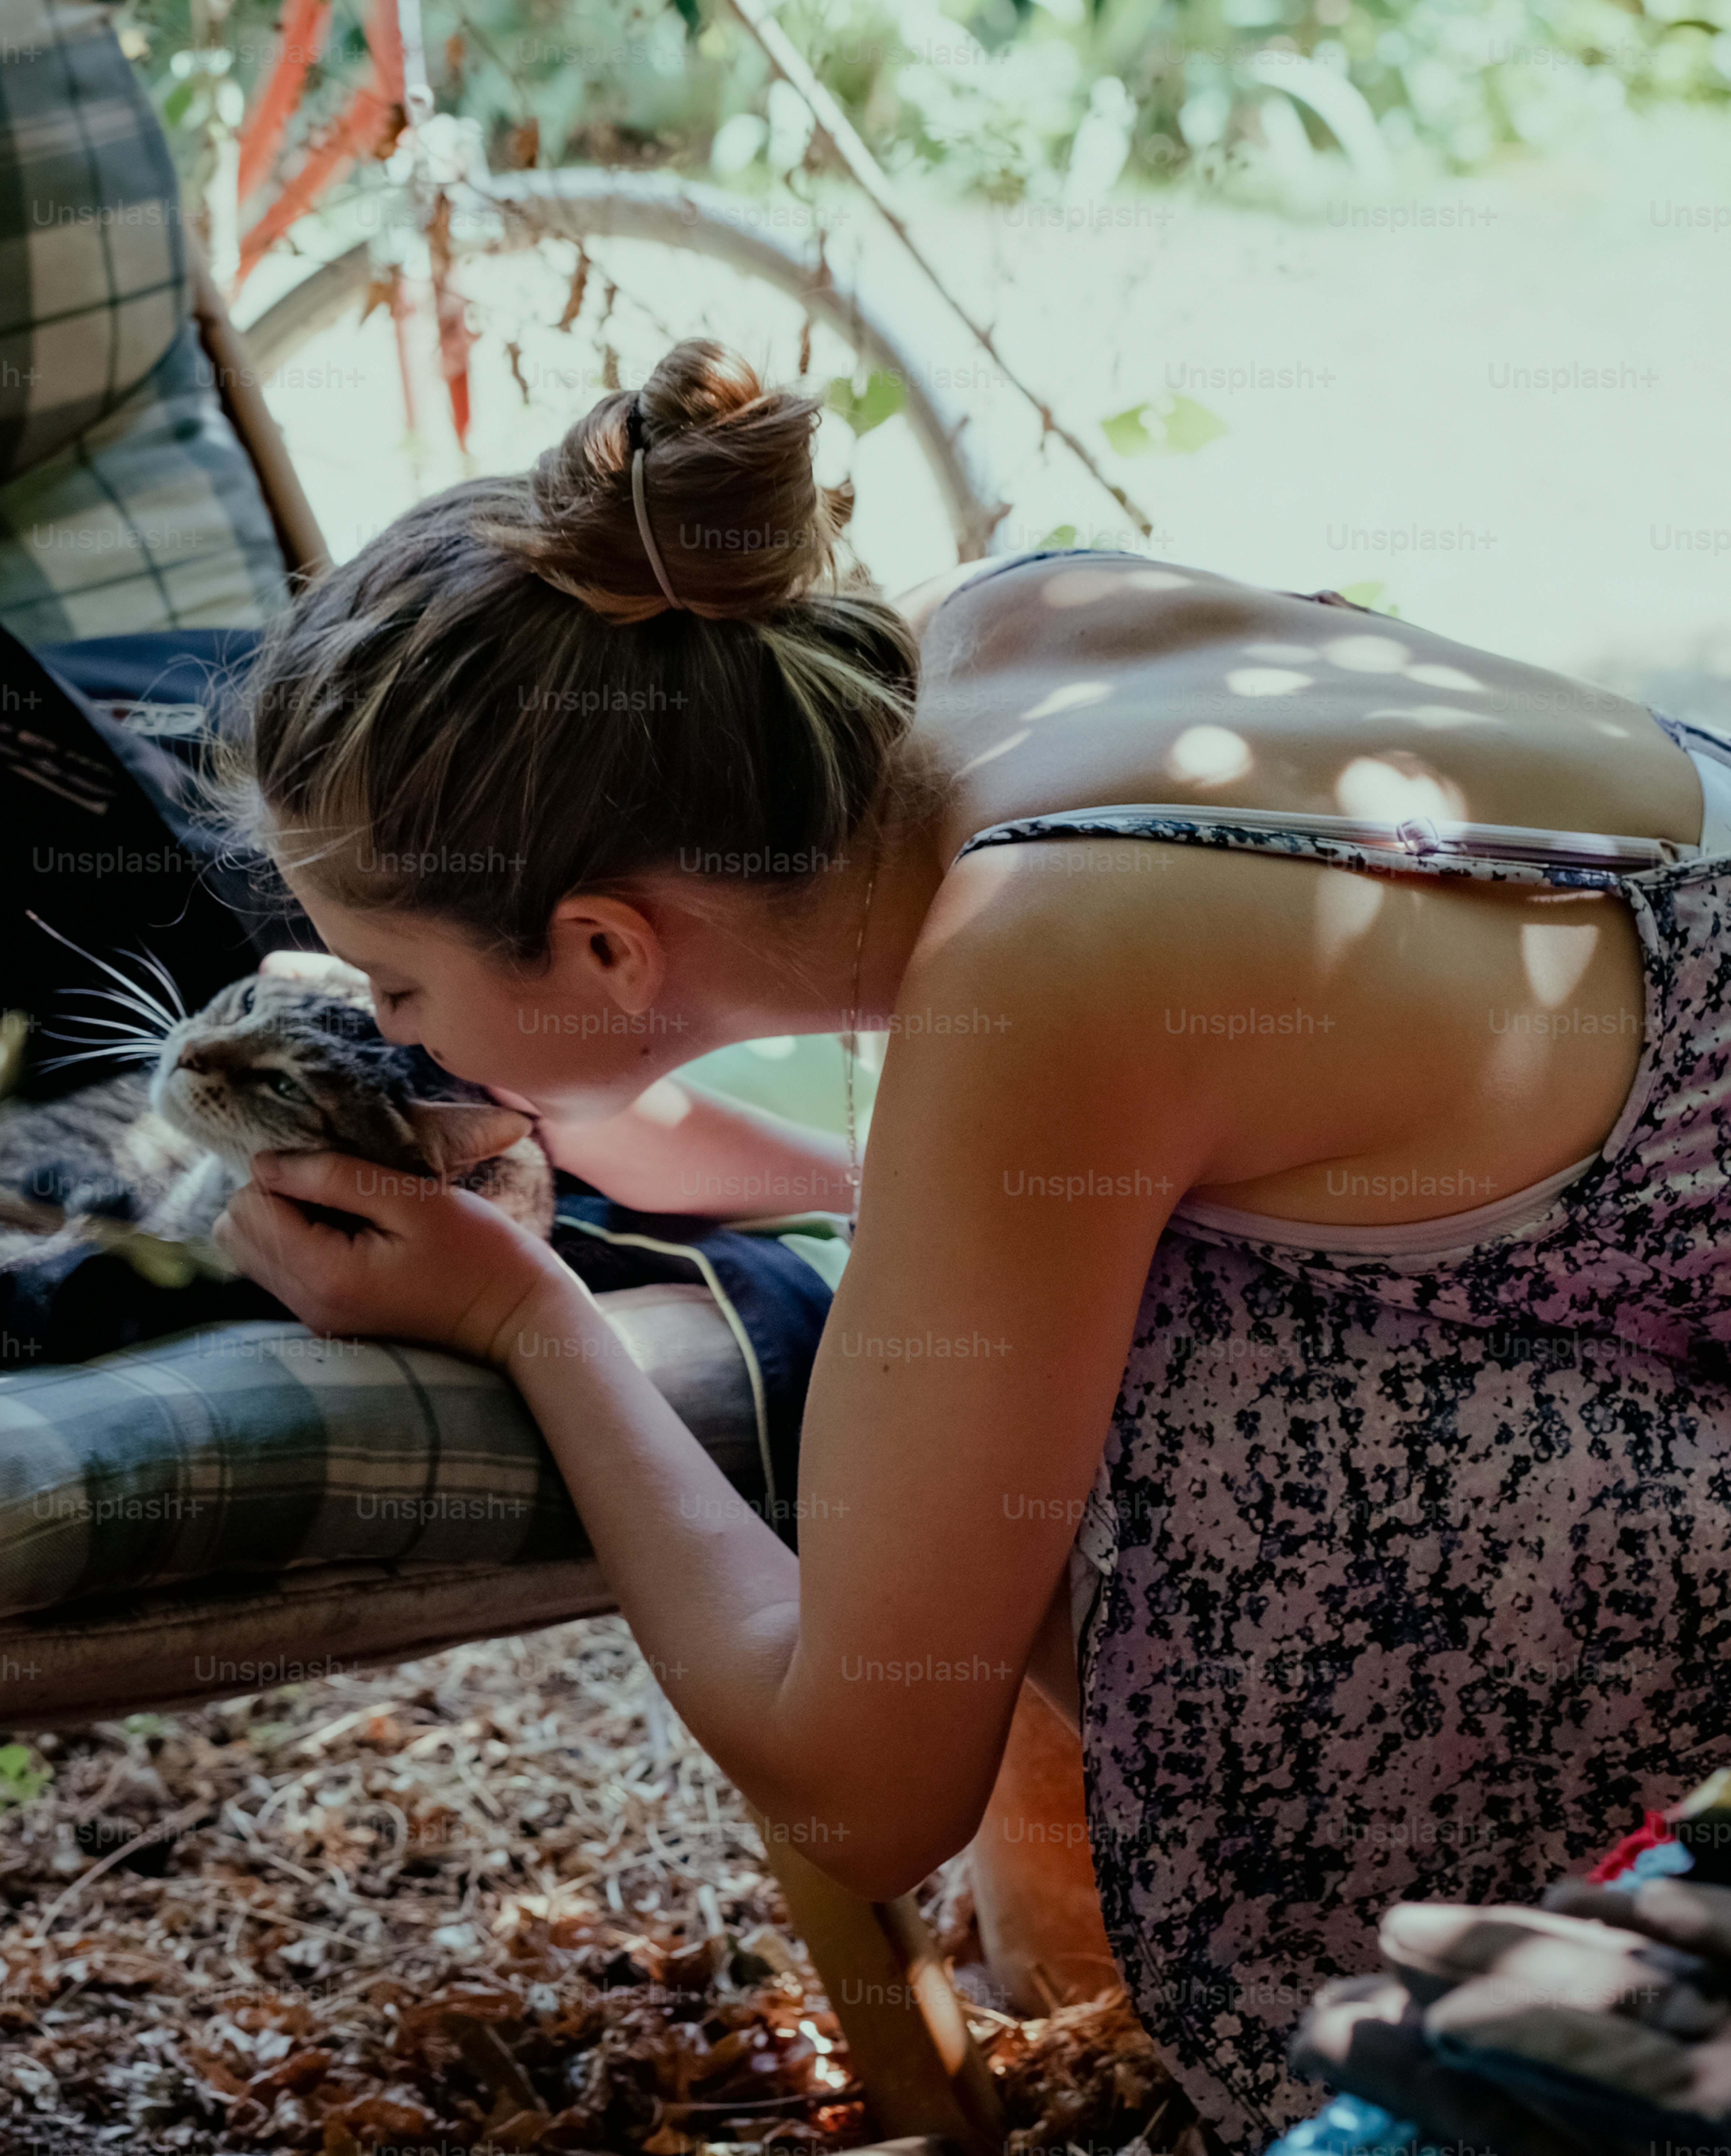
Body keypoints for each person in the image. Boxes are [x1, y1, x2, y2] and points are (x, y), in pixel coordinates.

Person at [204, 338, 1731, 2147]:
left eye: (394, 984)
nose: (394, 1030)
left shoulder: (1044, 961)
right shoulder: (992, 639)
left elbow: (860, 1786)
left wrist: (532, 1317)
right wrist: (650, 1136)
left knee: (1106, 1455)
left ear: (607, 947)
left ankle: (1501, 2036)